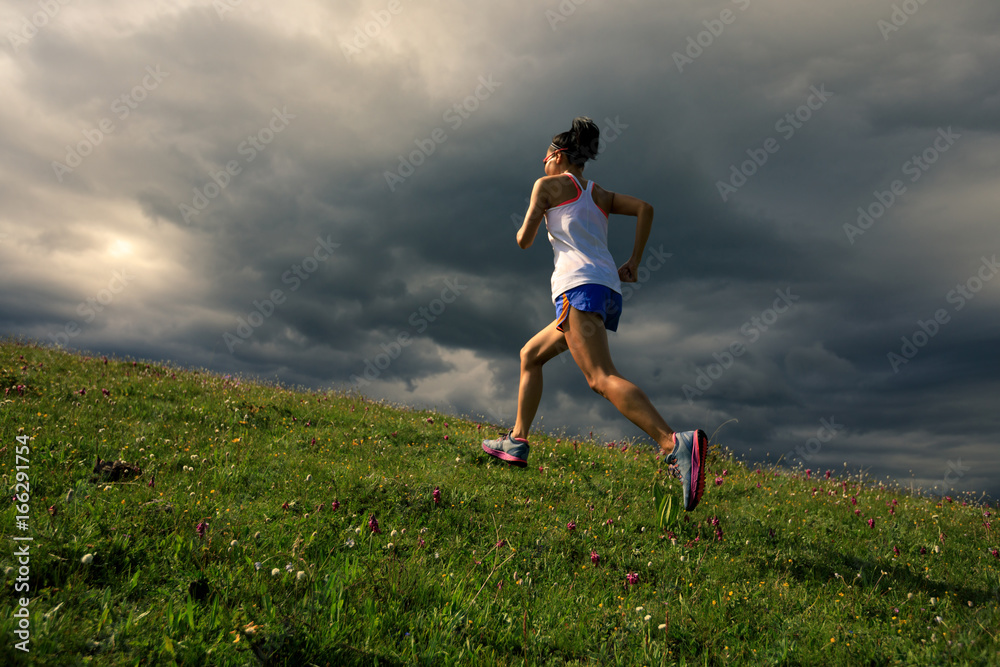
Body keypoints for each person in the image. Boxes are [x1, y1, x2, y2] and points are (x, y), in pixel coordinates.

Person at [482, 117, 707, 511]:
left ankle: (674, 443)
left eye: (545, 157)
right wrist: (634, 262)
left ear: (557, 156)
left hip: (577, 286)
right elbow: (645, 208)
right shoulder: (598, 193)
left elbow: (523, 241)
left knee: (600, 378)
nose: (542, 163)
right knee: (530, 355)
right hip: (603, 288)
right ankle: (517, 440)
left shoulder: (546, 186)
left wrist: (533, 219)